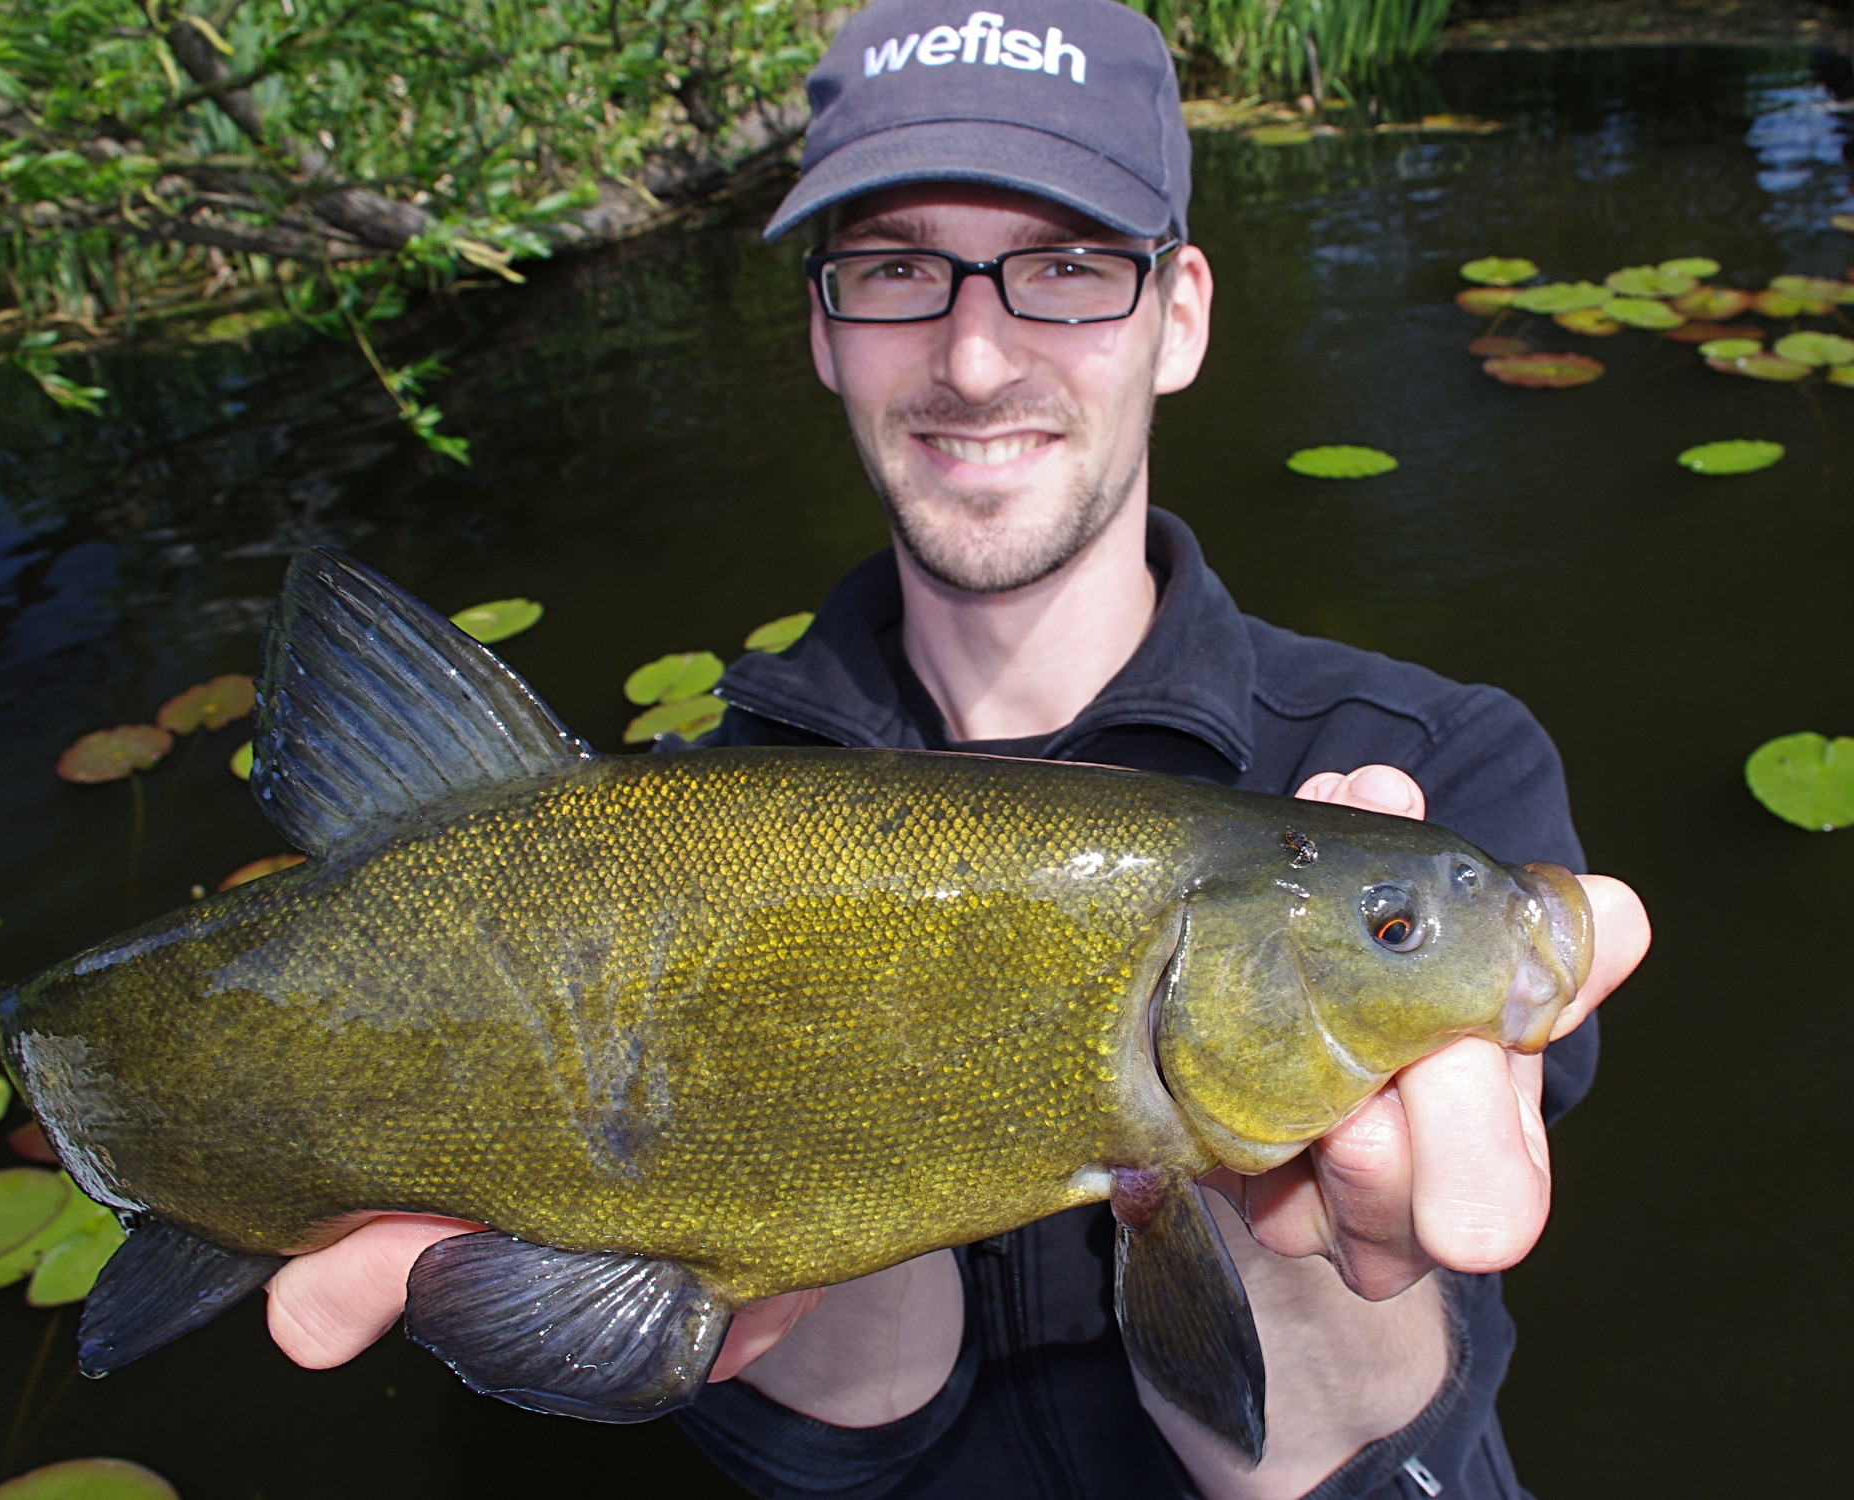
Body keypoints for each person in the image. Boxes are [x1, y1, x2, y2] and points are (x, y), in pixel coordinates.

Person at [261, 2, 1650, 1496]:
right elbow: (841, 1438)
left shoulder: (1424, 762)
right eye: (901, 268)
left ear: (1178, 313)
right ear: (822, 324)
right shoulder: (654, 821)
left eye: (1062, 266)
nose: (976, 357)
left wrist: (1279, 1198)